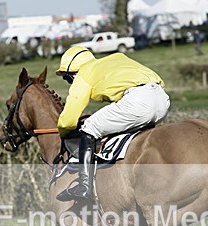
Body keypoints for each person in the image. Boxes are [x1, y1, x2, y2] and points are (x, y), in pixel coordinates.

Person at [54, 45, 170, 202]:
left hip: (138, 101)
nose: (68, 82)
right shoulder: (116, 58)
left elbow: (68, 120)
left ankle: (84, 186)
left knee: (90, 127)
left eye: (66, 78)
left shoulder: (83, 74)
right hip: (162, 99)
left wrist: (63, 131)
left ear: (73, 72)